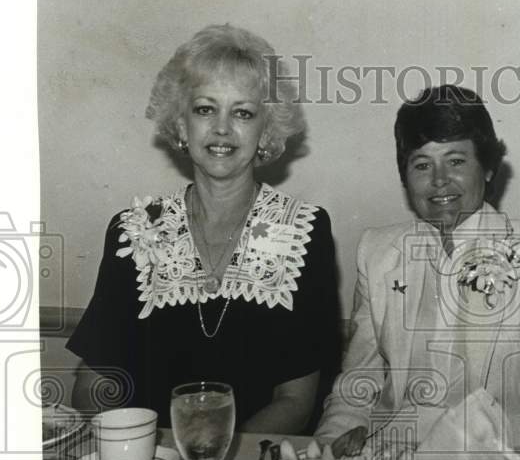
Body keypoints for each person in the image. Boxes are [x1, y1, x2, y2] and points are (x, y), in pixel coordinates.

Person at [69, 24, 341, 433]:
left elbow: (296, 402)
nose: (221, 129)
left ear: (265, 130)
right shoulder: (135, 231)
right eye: (205, 108)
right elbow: (95, 381)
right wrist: (132, 448)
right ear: (181, 125)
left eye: (243, 113)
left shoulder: (302, 233)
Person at [315, 85, 520, 455]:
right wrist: (325, 454)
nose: (439, 180)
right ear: (405, 177)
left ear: (488, 168)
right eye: (422, 164)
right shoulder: (377, 252)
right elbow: (357, 386)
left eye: (456, 161)